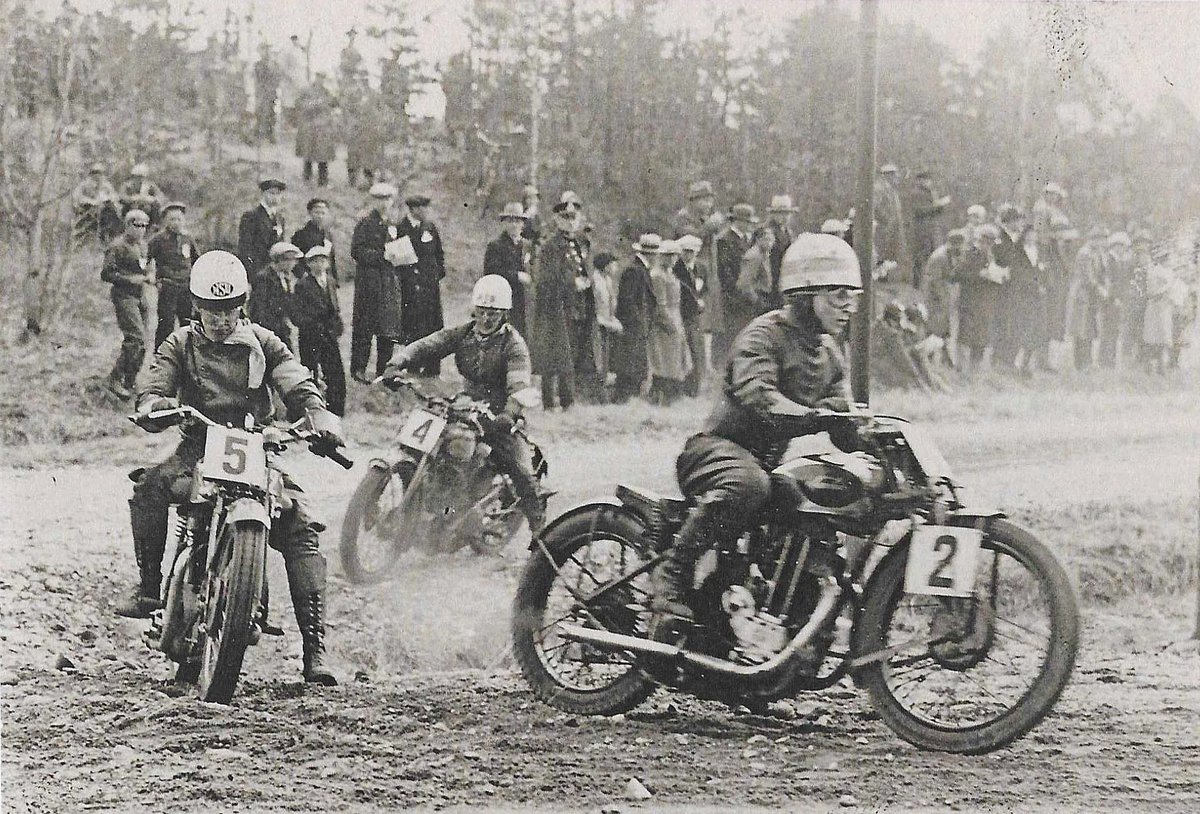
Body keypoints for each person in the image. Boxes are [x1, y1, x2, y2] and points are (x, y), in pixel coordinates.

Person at [119, 250, 343, 686]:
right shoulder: (179, 343)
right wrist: (153, 403)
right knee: (148, 487)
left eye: (228, 309)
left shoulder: (265, 341)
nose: (220, 319)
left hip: (254, 446)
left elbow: (296, 379)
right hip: (197, 446)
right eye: (211, 309)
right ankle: (149, 588)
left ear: (242, 304)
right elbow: (156, 382)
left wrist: (317, 414)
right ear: (196, 306)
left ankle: (315, 649)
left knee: (301, 528)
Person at [650, 233, 860, 645]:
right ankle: (671, 573)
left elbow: (845, 419)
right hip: (714, 453)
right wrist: (817, 417)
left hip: (760, 465)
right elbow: (759, 396)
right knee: (750, 483)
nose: (848, 305)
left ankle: (772, 616)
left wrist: (870, 435)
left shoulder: (830, 354)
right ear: (806, 294)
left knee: (810, 501)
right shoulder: (763, 335)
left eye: (852, 295)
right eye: (838, 295)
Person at [382, 275, 545, 534]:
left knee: (518, 468)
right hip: (466, 404)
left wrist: (508, 414)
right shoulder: (465, 333)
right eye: (481, 312)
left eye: (493, 313)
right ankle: (426, 503)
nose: (486, 319)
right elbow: (431, 343)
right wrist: (399, 361)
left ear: (504, 314)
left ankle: (540, 529)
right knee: (428, 444)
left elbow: (518, 385)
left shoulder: (514, 346)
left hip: (498, 412)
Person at [531, 195, 585, 410]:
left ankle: (567, 400)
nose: (570, 221)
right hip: (554, 308)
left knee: (568, 354)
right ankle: (550, 402)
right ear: (557, 219)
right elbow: (549, 279)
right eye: (566, 217)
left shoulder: (576, 244)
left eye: (573, 217)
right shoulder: (551, 246)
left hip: (573, 308)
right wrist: (574, 283)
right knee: (552, 356)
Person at [350, 183, 404, 381]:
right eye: (380, 199)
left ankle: (383, 371)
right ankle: (358, 370)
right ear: (374, 201)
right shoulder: (365, 224)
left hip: (389, 283)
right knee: (365, 327)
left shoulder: (393, 225)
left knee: (388, 328)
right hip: (369, 282)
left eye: (388, 199)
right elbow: (357, 251)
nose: (384, 203)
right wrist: (382, 256)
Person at [101, 209, 152, 399]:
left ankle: (130, 381)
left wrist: (148, 275)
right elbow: (106, 274)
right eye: (137, 225)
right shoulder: (117, 246)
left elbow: (145, 267)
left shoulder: (143, 246)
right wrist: (131, 280)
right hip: (124, 296)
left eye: (144, 226)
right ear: (128, 225)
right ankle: (115, 379)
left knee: (143, 342)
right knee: (135, 338)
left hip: (141, 296)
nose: (141, 230)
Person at [394, 195, 446, 375]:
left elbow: (439, 254)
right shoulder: (401, 229)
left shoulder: (430, 227)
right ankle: (413, 365)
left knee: (433, 326)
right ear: (413, 209)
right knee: (414, 326)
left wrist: (437, 274)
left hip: (430, 287)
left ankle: (433, 367)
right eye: (422, 208)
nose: (426, 212)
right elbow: (398, 260)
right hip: (411, 288)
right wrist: (411, 280)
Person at [292, 245, 346, 414]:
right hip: (311, 335)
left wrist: (336, 325)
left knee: (335, 371)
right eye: (315, 261)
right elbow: (298, 313)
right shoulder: (302, 285)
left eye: (323, 260)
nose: (319, 264)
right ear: (308, 264)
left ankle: (336, 408)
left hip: (329, 334)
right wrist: (311, 326)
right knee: (309, 371)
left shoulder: (330, 281)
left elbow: (334, 306)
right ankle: (309, 408)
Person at [611, 233, 660, 403]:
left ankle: (628, 399)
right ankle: (623, 400)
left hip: (638, 327)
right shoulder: (635, 270)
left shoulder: (640, 269)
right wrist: (639, 322)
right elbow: (627, 301)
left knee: (635, 366)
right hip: (633, 328)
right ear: (651, 254)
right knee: (630, 366)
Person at [148, 202, 200, 349]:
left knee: (187, 322)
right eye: (172, 219)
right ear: (165, 221)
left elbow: (197, 259)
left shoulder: (187, 239)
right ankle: (161, 355)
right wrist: (150, 275)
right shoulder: (158, 239)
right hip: (168, 286)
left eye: (179, 219)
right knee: (166, 323)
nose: (176, 223)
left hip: (186, 287)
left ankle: (187, 354)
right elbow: (145, 258)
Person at [951, 223, 1002, 373]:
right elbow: (956, 275)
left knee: (981, 336)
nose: (987, 245)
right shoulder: (969, 254)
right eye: (985, 241)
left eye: (991, 242)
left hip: (986, 302)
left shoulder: (993, 256)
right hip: (970, 300)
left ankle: (974, 368)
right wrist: (978, 275)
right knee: (965, 335)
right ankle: (960, 367)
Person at [711, 203, 759, 362]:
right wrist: (739, 292)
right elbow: (726, 274)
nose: (749, 226)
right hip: (733, 298)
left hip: (746, 297)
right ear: (737, 221)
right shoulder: (724, 240)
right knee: (734, 337)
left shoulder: (747, 240)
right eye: (747, 222)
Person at [648, 239, 692, 405]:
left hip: (676, 316)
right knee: (665, 360)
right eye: (670, 255)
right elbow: (660, 303)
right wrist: (670, 323)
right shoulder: (657, 275)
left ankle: (673, 396)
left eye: (675, 256)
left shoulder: (670, 274)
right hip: (664, 322)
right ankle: (662, 395)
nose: (673, 259)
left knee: (676, 359)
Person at [483, 202, 532, 336]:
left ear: (523, 223)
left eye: (517, 221)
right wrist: (517, 276)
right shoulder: (495, 246)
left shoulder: (528, 246)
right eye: (510, 221)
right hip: (505, 301)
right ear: (504, 223)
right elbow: (491, 273)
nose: (514, 225)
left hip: (526, 301)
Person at [1064, 226, 1107, 370]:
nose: (1101, 243)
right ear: (1092, 239)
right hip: (1082, 295)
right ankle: (1080, 363)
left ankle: (1088, 361)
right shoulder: (1085, 253)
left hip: (1092, 295)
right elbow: (1088, 277)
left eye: (1103, 239)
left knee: (1090, 329)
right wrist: (1099, 288)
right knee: (1081, 329)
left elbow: (1102, 273)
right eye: (1099, 239)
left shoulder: (1098, 253)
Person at [920, 228, 967, 354]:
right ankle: (927, 354)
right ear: (954, 243)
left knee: (944, 326)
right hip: (934, 296)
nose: (962, 248)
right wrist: (943, 298)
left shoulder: (950, 254)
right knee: (934, 327)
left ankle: (944, 355)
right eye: (960, 245)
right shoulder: (939, 257)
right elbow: (935, 280)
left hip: (943, 295)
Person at [249, 242, 302, 351]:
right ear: (280, 260)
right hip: (268, 331)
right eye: (290, 260)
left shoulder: (285, 278)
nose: (293, 264)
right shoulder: (264, 278)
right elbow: (260, 309)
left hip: (281, 330)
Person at [587, 252, 623, 403]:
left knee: (605, 359)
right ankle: (597, 396)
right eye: (612, 264)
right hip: (597, 324)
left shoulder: (607, 280)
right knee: (598, 359)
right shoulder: (595, 281)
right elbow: (596, 307)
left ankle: (602, 396)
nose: (615, 267)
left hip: (606, 323)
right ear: (606, 265)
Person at [675, 234, 707, 396]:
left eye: (692, 251)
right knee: (684, 350)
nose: (689, 254)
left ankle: (695, 388)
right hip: (682, 314)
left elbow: (704, 288)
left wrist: (701, 301)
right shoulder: (676, 268)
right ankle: (684, 388)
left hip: (696, 316)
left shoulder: (701, 268)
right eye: (686, 251)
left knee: (698, 350)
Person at [908, 170, 951, 287]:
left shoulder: (931, 192)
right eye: (926, 180)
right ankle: (917, 283)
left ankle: (927, 281)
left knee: (930, 253)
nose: (929, 182)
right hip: (921, 228)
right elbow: (920, 210)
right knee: (920, 255)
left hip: (931, 228)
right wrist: (938, 205)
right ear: (920, 181)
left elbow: (935, 211)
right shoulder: (917, 193)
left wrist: (939, 206)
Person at [1096, 231, 1132, 368]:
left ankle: (1109, 360)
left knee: (1114, 330)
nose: (1123, 249)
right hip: (1110, 300)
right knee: (1108, 330)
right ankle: (1104, 360)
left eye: (1124, 247)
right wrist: (1114, 298)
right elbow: (1109, 281)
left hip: (1118, 300)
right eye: (1121, 246)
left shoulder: (1120, 260)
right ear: (1115, 246)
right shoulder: (1109, 260)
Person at [238, 178, 287, 279]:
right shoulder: (251, 216)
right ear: (263, 194)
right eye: (271, 193)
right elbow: (245, 247)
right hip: (257, 269)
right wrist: (250, 273)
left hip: (274, 271)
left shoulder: (280, 219)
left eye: (278, 194)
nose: (275, 197)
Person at [874, 163, 910, 279]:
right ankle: (879, 275)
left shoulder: (891, 189)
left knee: (888, 250)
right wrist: (885, 219)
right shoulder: (879, 188)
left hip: (891, 225)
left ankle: (885, 275)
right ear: (887, 175)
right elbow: (876, 207)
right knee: (880, 249)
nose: (896, 178)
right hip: (882, 225)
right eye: (894, 175)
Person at [291, 197, 339, 281]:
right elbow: (295, 258)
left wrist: (334, 279)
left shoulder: (327, 235)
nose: (320, 216)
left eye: (323, 213)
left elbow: (331, 259)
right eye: (317, 213)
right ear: (310, 213)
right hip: (308, 278)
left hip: (326, 278)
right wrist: (303, 275)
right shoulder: (300, 234)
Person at [735, 225, 777, 318]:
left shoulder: (764, 254)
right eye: (766, 239)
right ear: (758, 240)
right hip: (755, 301)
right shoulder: (754, 256)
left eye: (771, 240)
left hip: (764, 297)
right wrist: (757, 301)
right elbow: (744, 283)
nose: (769, 243)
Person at [72, 164, 121, 241]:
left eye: (100, 173)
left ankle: (109, 236)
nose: (97, 176)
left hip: (104, 213)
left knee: (111, 219)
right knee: (85, 226)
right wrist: (89, 203)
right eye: (95, 173)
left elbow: (114, 197)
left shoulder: (106, 186)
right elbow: (77, 197)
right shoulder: (84, 185)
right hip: (88, 212)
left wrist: (108, 202)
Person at [765, 194, 798, 307]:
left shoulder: (789, 233)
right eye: (781, 213)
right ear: (773, 214)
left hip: (786, 281)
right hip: (771, 283)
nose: (785, 216)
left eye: (787, 213)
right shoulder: (766, 232)